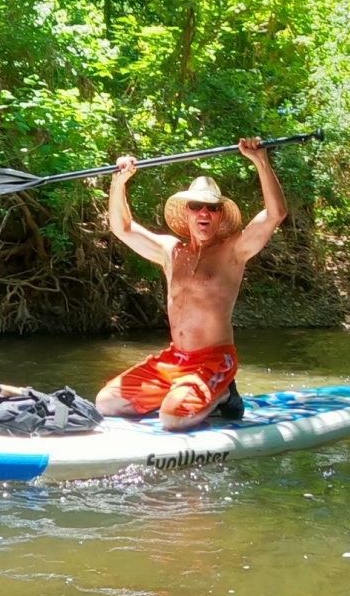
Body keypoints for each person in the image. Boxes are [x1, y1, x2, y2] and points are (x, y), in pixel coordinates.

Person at [95, 137, 287, 430]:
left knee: (172, 419)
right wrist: (119, 182)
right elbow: (122, 228)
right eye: (196, 206)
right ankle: (181, 394)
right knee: (106, 402)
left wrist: (260, 161)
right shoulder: (171, 251)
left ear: (220, 215)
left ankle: (222, 394)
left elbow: (276, 214)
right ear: (187, 212)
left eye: (212, 208)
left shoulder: (233, 250)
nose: (204, 213)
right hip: (175, 359)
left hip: (212, 359)